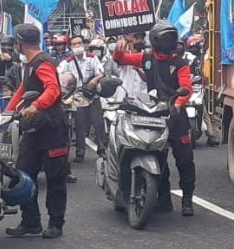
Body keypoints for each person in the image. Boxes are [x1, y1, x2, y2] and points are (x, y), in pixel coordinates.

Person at [112, 21, 196, 216]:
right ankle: (163, 199)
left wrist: (178, 103)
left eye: (170, 38)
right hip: (154, 115)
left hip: (176, 117)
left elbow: (187, 88)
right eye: (164, 38)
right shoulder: (146, 58)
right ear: (155, 40)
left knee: (185, 161)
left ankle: (187, 200)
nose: (167, 42)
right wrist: (118, 49)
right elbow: (122, 59)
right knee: (159, 158)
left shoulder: (180, 63)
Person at [5, 23, 69, 239]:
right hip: (33, 130)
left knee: (55, 179)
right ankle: (30, 222)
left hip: (52, 129)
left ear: (19, 43)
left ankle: (56, 223)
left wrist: (36, 106)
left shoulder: (43, 62)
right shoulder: (29, 65)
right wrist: (6, 114)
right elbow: (22, 91)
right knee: (23, 174)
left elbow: (53, 89)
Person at [59, 36, 106, 162]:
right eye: (74, 44)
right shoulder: (67, 62)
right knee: (80, 124)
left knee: (98, 122)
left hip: (92, 94)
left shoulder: (92, 58)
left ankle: (102, 149)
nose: (77, 46)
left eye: (79, 43)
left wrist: (95, 80)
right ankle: (80, 152)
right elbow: (59, 74)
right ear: (70, 46)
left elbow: (102, 72)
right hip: (78, 96)